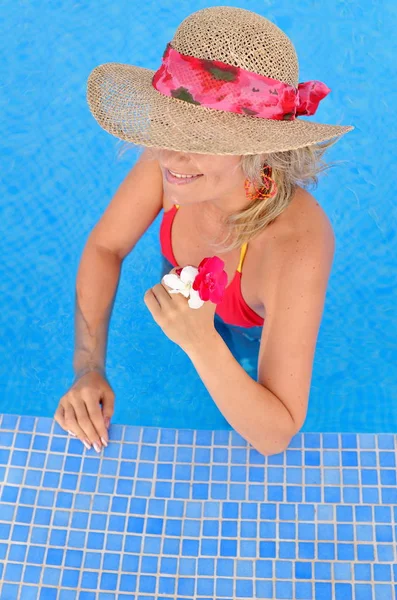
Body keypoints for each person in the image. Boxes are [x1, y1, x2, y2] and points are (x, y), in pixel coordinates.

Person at [54, 6, 353, 454]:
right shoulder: (176, 165)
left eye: (202, 141)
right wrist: (88, 368)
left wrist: (201, 342)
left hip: (240, 332)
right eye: (171, 128)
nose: (171, 158)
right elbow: (105, 246)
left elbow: (276, 434)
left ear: (255, 150)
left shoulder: (296, 245)